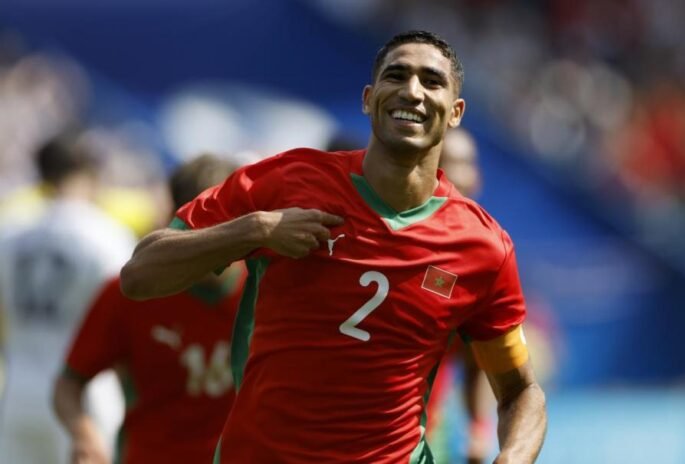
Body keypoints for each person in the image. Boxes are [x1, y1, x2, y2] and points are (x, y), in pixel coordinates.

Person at [121, 30, 547, 464]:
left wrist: (511, 456)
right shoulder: (287, 182)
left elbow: (520, 390)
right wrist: (257, 229)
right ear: (368, 99)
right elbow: (139, 275)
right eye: (396, 75)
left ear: (455, 112)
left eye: (431, 81)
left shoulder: (482, 247)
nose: (412, 91)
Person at [53, 154, 246, 464]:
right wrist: (84, 436)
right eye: (200, 228)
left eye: (223, 226)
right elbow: (68, 383)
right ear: (175, 221)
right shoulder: (129, 293)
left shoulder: (268, 289)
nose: (212, 242)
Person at [0, 134, 135, 463]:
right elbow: (127, 312)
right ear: (89, 172)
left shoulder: (10, 232)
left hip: (20, 389)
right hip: (85, 394)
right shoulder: (107, 234)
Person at [427, 127, 494, 464]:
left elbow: (476, 358)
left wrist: (478, 427)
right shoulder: (389, 238)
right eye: (445, 162)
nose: (455, 174)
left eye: (465, 163)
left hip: (425, 438)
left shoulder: (483, 261)